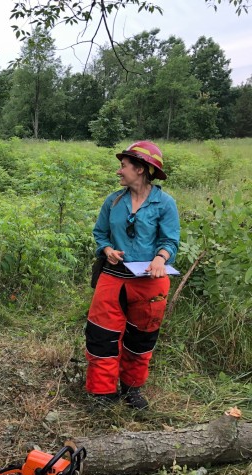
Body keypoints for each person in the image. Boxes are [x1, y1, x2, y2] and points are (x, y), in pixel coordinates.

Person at [85, 140, 180, 410]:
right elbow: (99, 234)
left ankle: (132, 389)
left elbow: (170, 241)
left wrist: (160, 259)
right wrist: (106, 250)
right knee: (101, 335)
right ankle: (102, 393)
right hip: (113, 279)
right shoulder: (113, 200)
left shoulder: (165, 203)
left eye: (123, 166)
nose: (119, 171)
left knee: (141, 339)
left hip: (150, 283)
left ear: (140, 169)